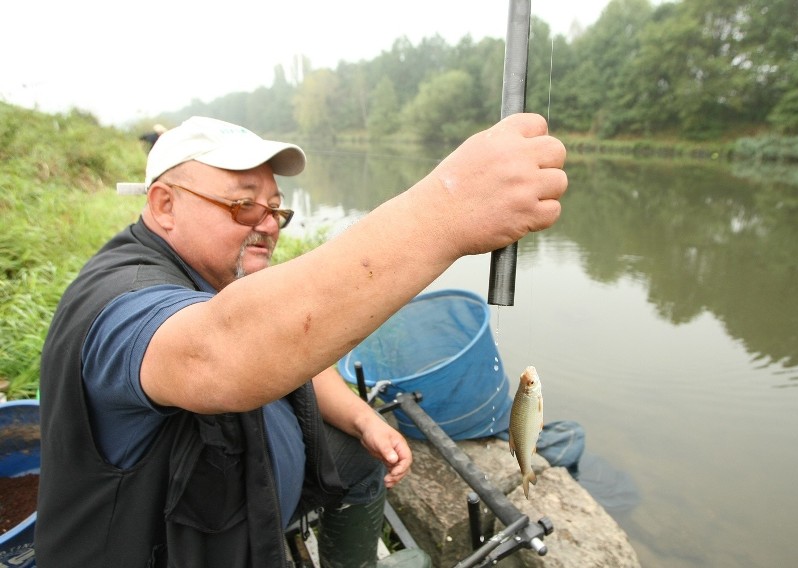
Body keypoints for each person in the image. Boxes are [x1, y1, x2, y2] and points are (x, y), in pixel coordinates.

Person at [36, 114, 567, 568]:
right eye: (244, 205)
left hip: (251, 500)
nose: (268, 225)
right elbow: (219, 351)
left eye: (276, 209)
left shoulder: (215, 272)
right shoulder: (120, 301)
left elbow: (287, 350)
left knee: (361, 462)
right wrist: (450, 209)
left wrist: (364, 419)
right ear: (165, 205)